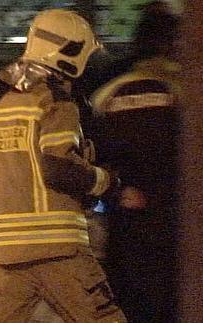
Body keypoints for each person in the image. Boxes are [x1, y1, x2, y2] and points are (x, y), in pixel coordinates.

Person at [0, 9, 146, 323]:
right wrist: (105, 181)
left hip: (8, 256)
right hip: (60, 251)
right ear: (69, 55)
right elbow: (58, 166)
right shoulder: (56, 102)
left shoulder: (2, 107)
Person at [90, 2, 181, 321]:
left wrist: (118, 191)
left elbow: (96, 155)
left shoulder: (109, 94)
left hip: (127, 217)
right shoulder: (184, 91)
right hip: (176, 220)